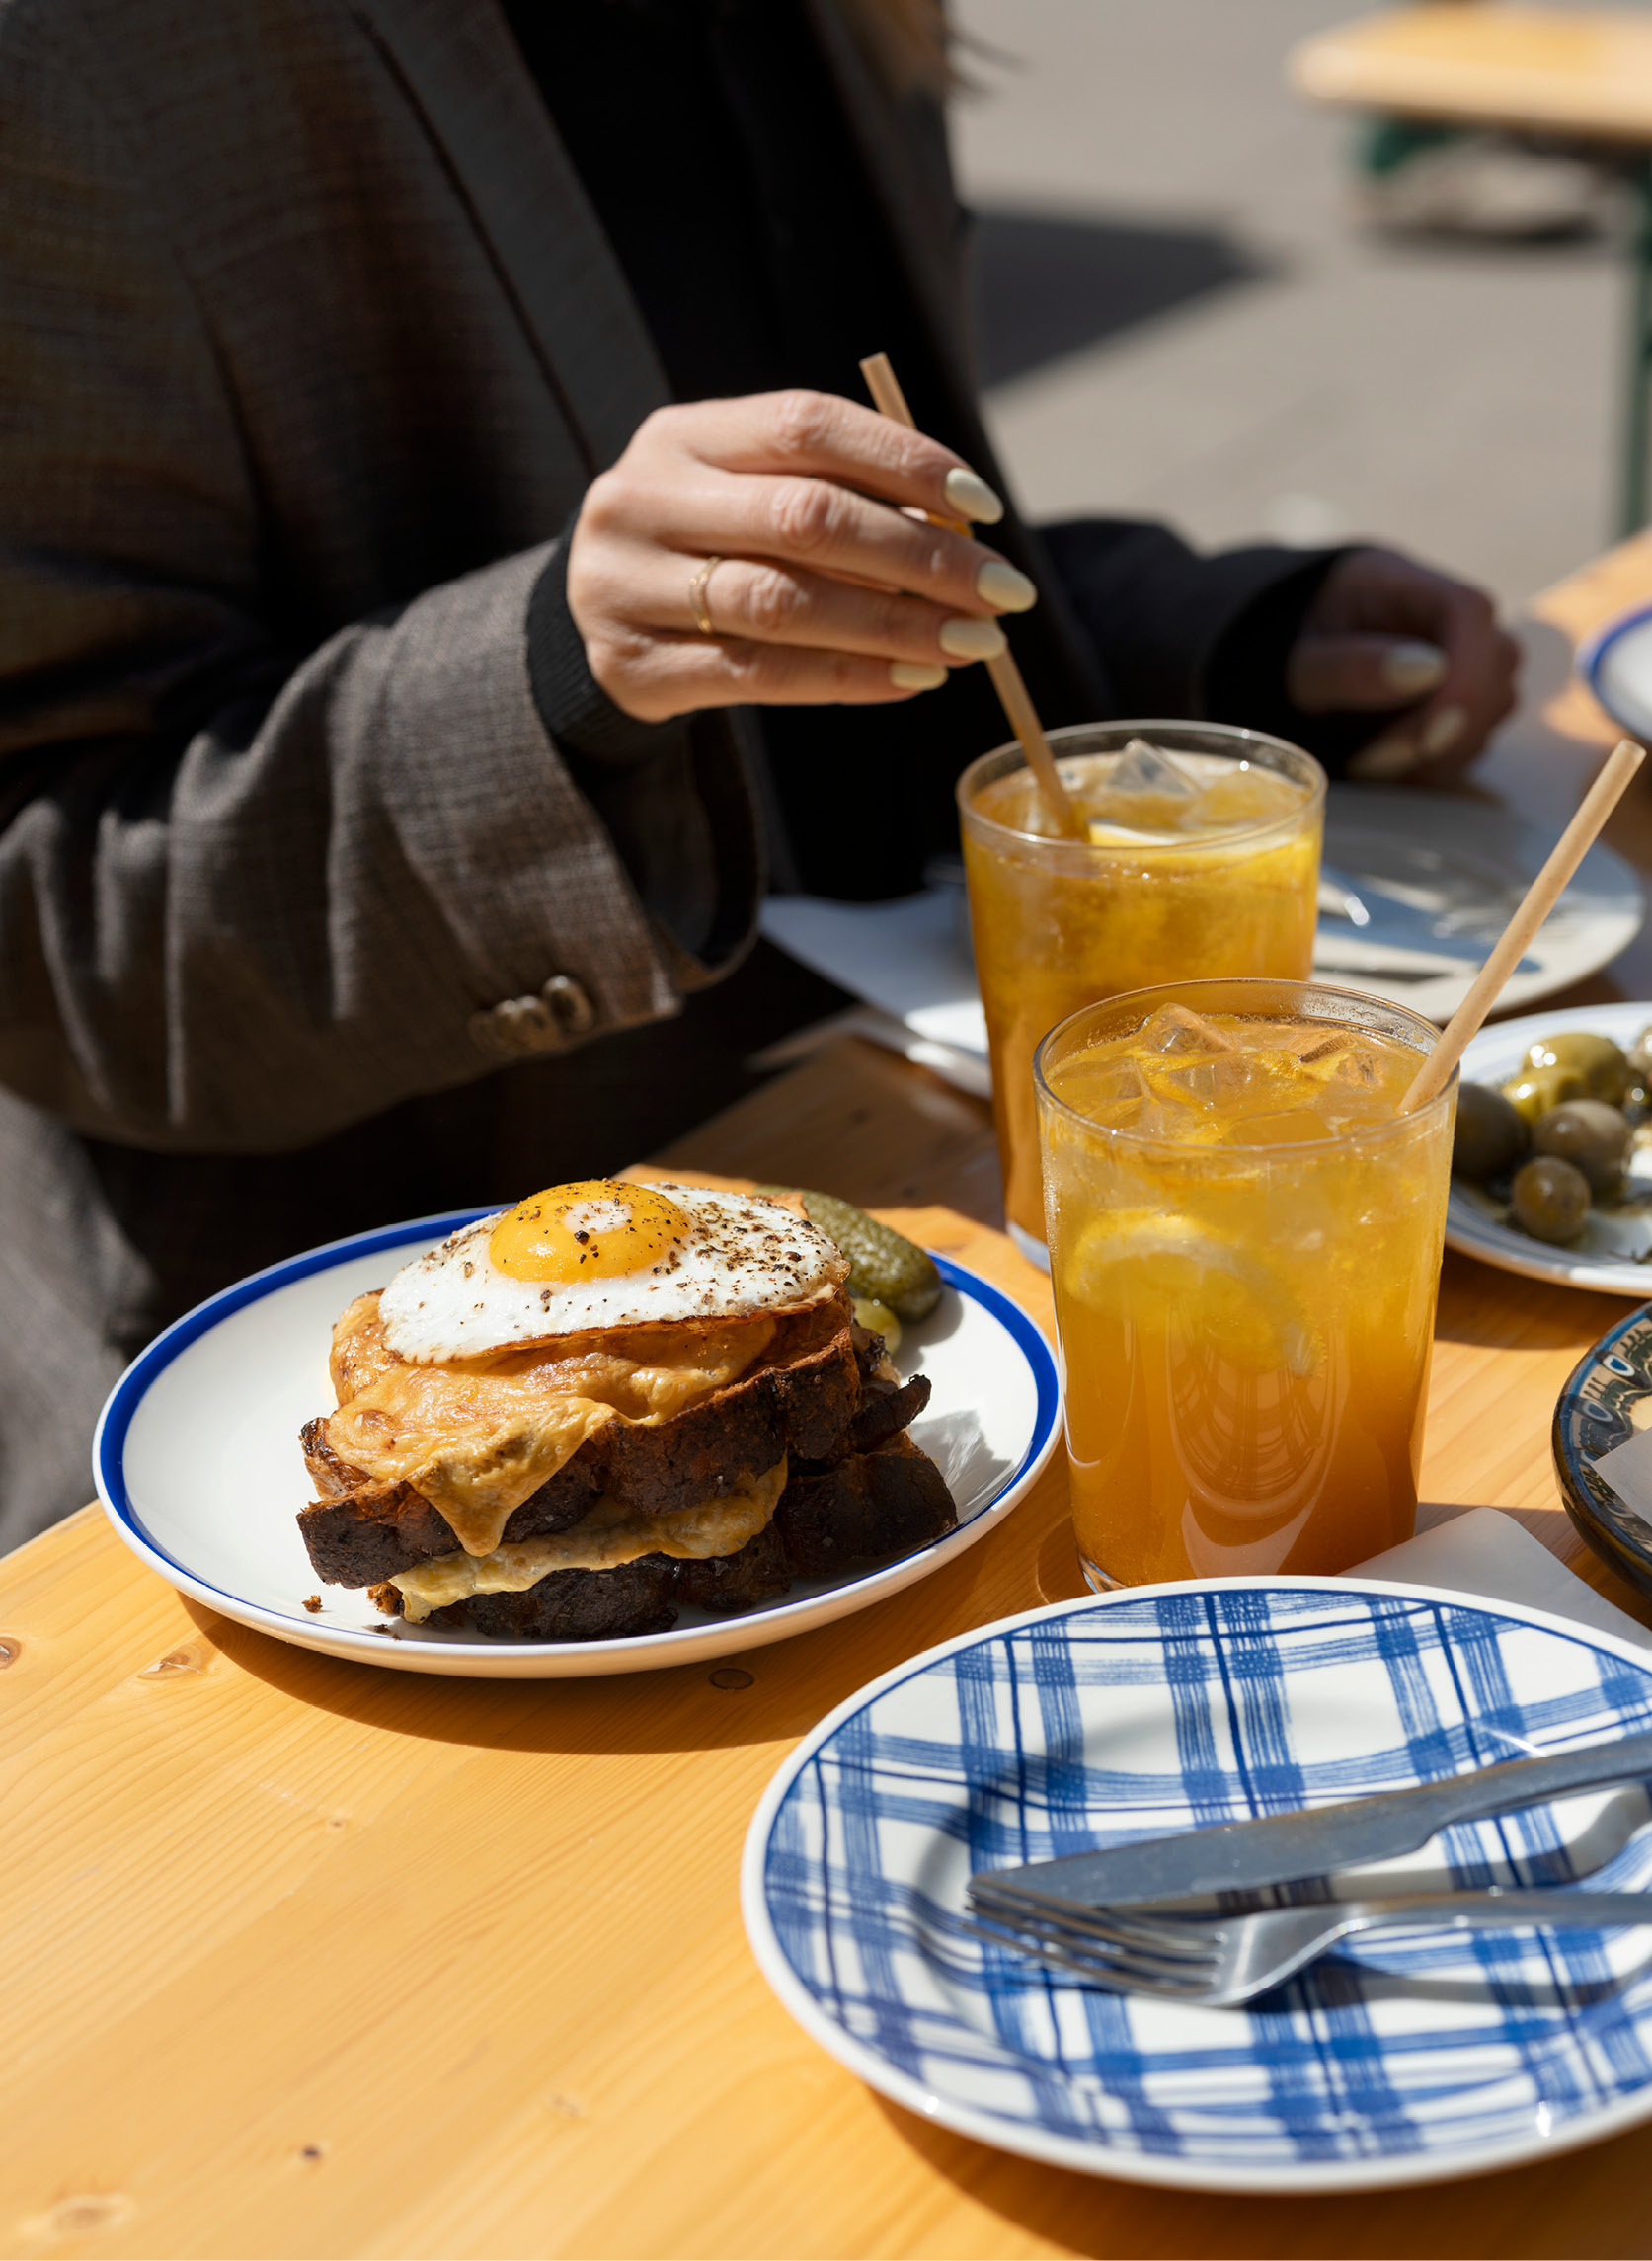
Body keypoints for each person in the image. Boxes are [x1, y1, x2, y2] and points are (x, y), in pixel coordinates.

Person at [0, 0, 1519, 1548]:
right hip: (389, 1444)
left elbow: (844, 567)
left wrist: (1214, 642)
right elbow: (56, 938)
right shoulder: (75, 54)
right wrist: (549, 673)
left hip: (957, 1235)